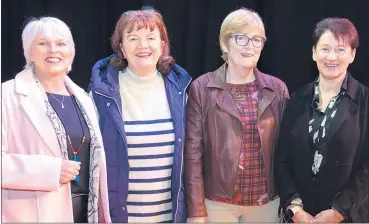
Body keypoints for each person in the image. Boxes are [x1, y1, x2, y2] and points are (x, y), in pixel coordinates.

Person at [184, 8, 290, 223]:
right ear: (225, 44)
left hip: (266, 205)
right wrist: (196, 209)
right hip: (217, 205)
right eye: (241, 38)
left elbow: (287, 152)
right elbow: (193, 153)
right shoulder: (202, 88)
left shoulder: (277, 90)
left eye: (256, 40)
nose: (249, 46)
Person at [1, 17, 111, 223]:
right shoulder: (6, 96)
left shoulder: (84, 99)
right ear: (29, 53)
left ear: (71, 53)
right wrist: (48, 170)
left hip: (85, 214)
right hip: (31, 215)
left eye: (61, 44)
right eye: (43, 43)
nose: (53, 50)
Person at [87, 9, 192, 223]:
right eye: (133, 38)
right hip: (120, 217)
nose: (143, 45)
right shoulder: (100, 94)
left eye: (150, 38)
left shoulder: (181, 91)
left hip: (170, 217)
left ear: (162, 46)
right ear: (122, 48)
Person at [275, 17, 369, 223]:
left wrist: (338, 212)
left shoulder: (365, 102)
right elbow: (282, 159)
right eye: (325, 49)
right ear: (313, 53)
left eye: (340, 49)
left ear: (352, 54)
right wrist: (295, 208)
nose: (331, 57)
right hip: (300, 217)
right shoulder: (297, 100)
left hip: (349, 217)